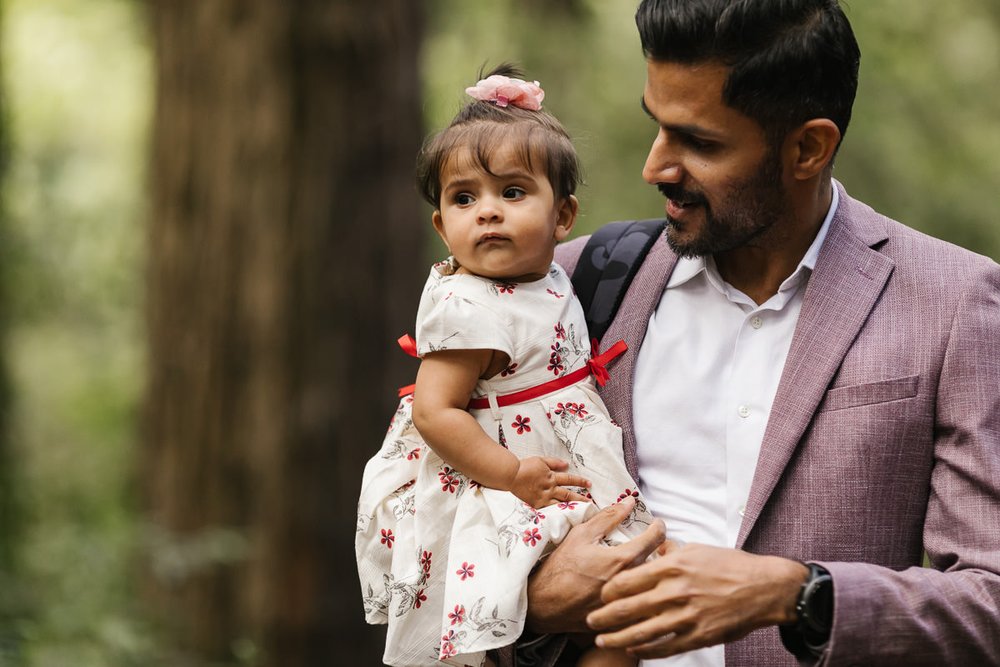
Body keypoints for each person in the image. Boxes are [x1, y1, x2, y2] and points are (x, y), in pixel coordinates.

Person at [498, 1, 1000, 666]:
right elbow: (412, 529)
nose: (656, 168)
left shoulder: (956, 300)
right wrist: (525, 595)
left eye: (700, 143)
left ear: (808, 148)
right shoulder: (564, 284)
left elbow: (989, 602)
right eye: (658, 127)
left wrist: (797, 593)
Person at [356, 65, 654, 667]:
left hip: (552, 451)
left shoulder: (545, 275)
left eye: (512, 193)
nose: (486, 212)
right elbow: (437, 413)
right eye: (464, 198)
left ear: (563, 217)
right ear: (442, 226)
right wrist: (512, 474)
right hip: (497, 470)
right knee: (595, 610)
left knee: (622, 613)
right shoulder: (465, 304)